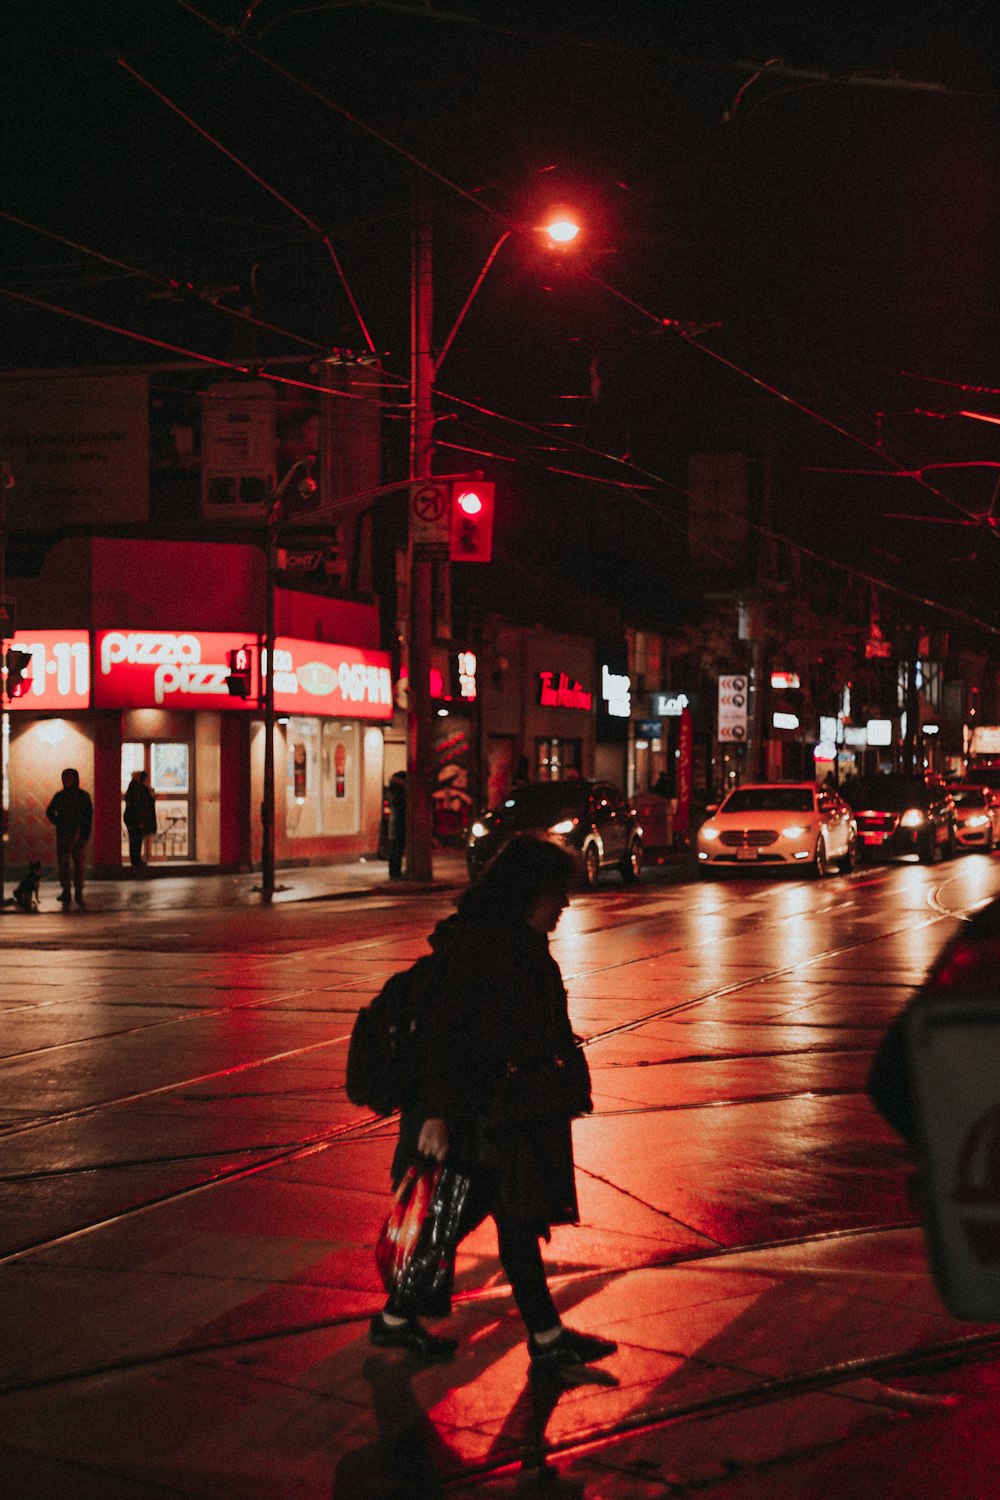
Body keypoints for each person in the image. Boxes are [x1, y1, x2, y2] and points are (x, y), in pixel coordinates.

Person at [370, 834, 617, 1370]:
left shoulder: (511, 944)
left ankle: (407, 1320)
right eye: (558, 893)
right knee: (488, 1219)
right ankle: (541, 1340)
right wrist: (436, 1116)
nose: (566, 904)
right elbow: (450, 1037)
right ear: (529, 892)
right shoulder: (486, 952)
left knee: (507, 1222)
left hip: (502, 1112)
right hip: (480, 1118)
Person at [46, 767, 93, 907]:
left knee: (79, 864)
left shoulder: (83, 796)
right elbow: (49, 811)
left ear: (75, 779)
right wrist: (58, 822)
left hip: (78, 834)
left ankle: (78, 890)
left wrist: (84, 835)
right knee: (63, 863)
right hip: (63, 834)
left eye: (69, 778)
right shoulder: (59, 796)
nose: (66, 781)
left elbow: (88, 817)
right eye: (64, 778)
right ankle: (66, 890)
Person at [123, 769, 157, 868]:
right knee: (136, 840)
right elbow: (142, 803)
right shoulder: (139, 789)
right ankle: (136, 860)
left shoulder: (133, 788)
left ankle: (136, 859)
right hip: (136, 818)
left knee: (135, 840)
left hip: (133, 818)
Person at [386, 769, 407, 879]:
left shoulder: (392, 791)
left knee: (395, 847)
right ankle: (395, 872)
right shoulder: (400, 793)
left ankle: (394, 871)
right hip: (399, 823)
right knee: (397, 848)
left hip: (395, 823)